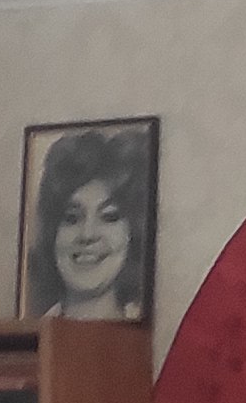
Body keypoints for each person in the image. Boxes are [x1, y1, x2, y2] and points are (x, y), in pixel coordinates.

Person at [20, 123, 152, 322]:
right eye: (71, 218)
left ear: (135, 232)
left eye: (109, 216)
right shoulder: (28, 336)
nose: (87, 234)